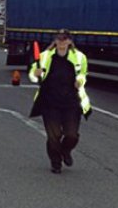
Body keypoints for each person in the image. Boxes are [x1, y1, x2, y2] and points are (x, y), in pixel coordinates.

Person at [28, 29, 92, 173]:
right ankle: (55, 162)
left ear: (70, 41)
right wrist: (35, 74)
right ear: (55, 41)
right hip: (50, 102)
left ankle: (65, 151)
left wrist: (80, 81)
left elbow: (83, 74)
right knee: (54, 135)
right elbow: (33, 74)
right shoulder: (45, 56)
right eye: (59, 39)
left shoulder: (79, 57)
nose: (62, 42)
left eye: (65, 39)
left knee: (72, 135)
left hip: (71, 103)